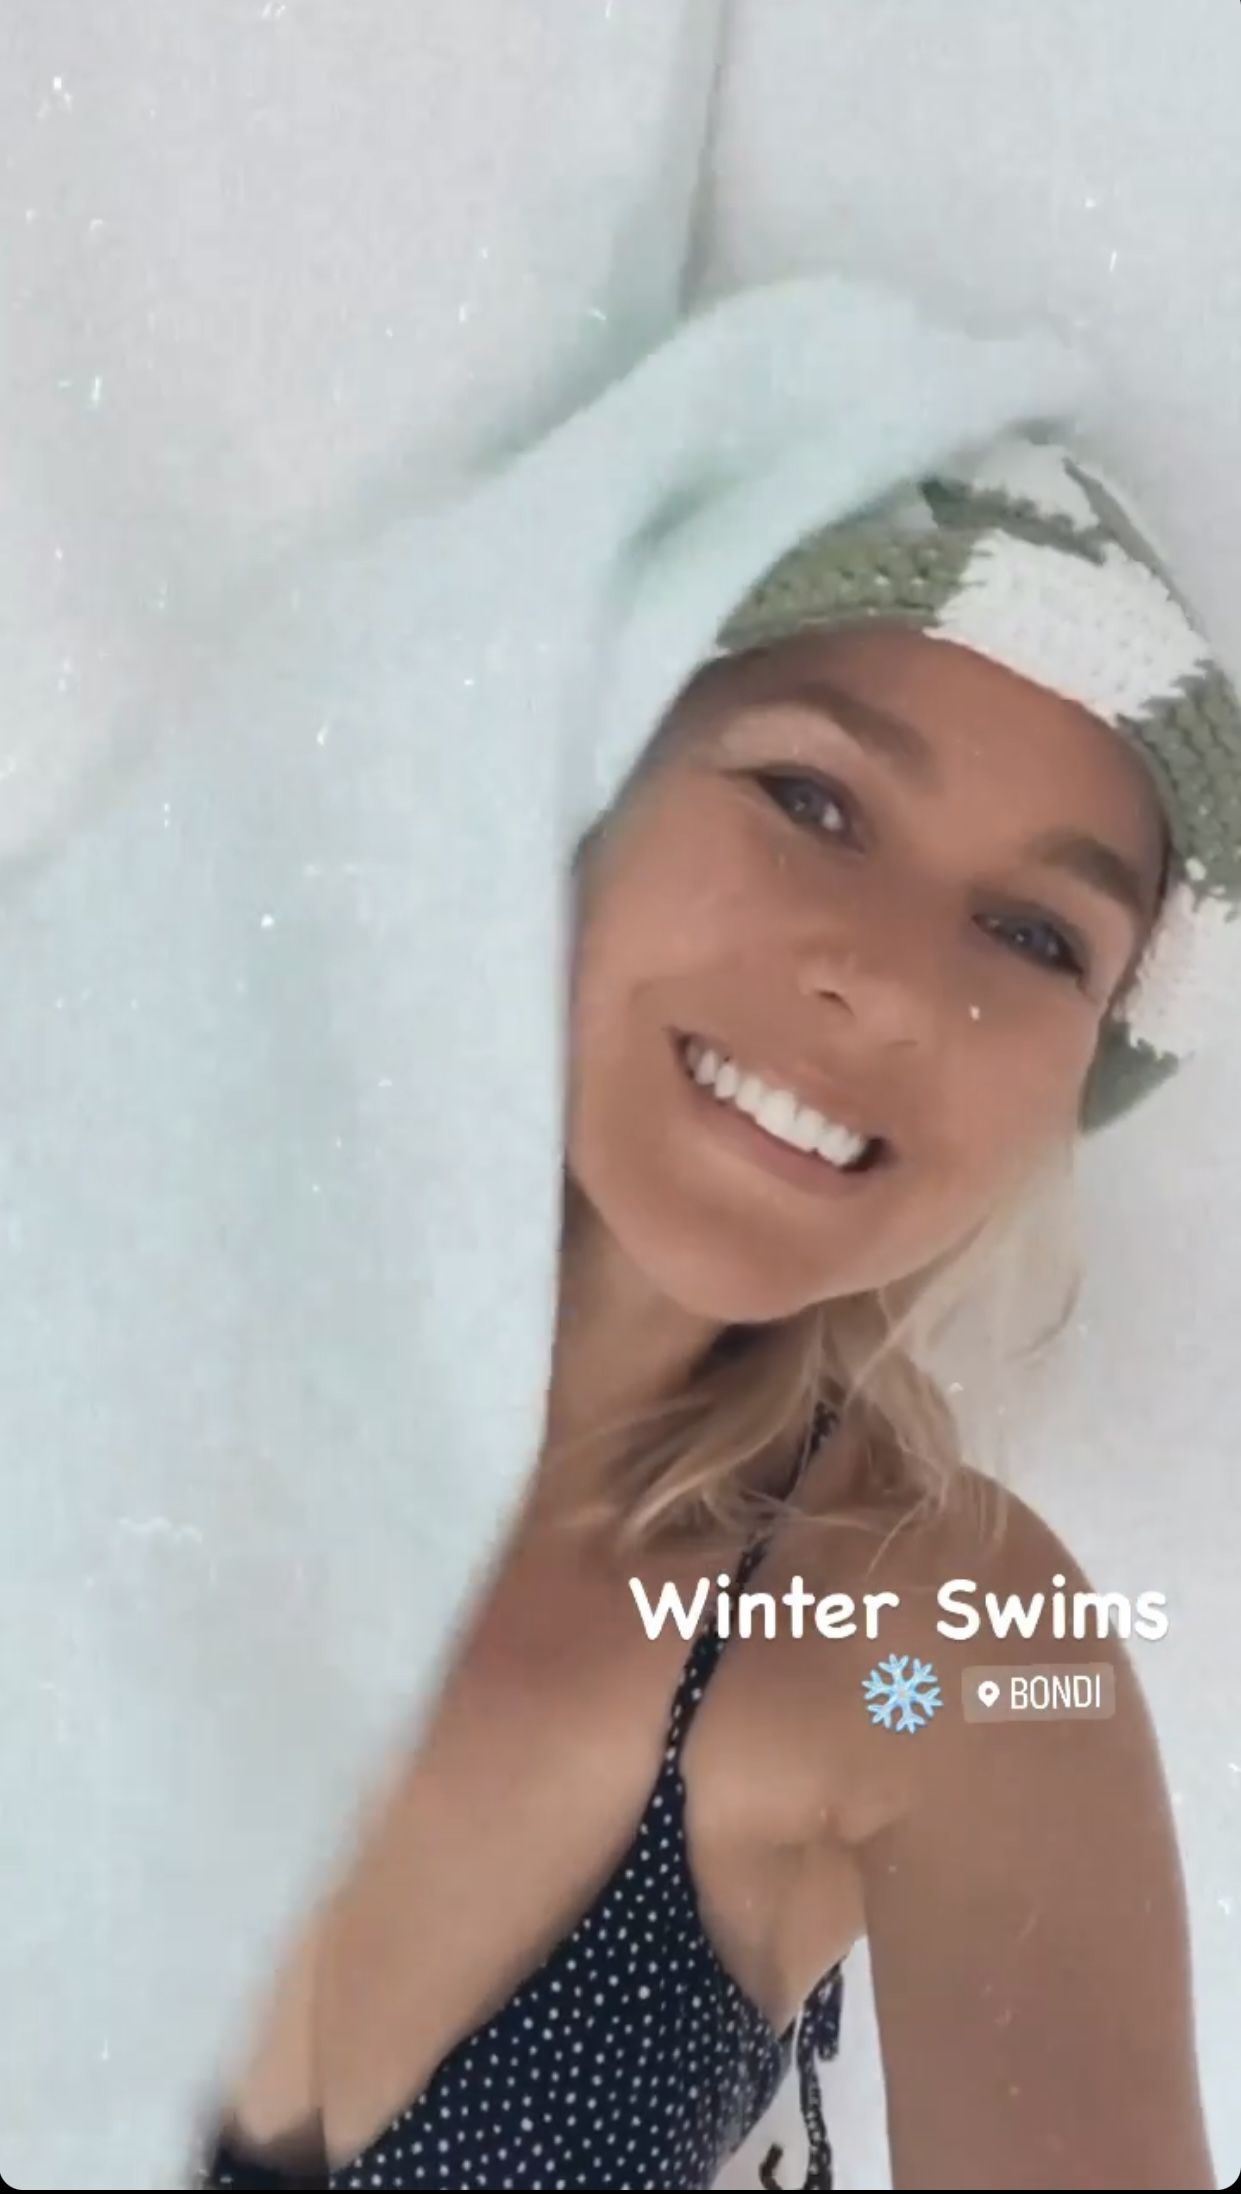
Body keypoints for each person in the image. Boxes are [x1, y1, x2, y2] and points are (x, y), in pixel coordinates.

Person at [198, 432, 1237, 2192]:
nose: (889, 987)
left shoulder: (938, 1643)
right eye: (812, 800)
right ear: (583, 773)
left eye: (1035, 936)